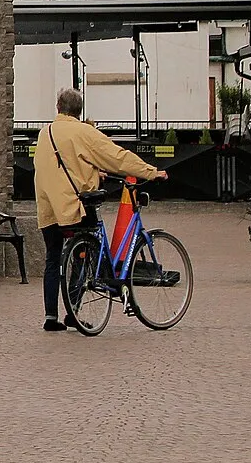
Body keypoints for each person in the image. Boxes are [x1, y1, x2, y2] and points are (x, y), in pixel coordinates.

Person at [35, 87, 165, 331]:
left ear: (58, 108)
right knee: (83, 257)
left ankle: (50, 317)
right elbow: (117, 157)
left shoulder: (45, 133)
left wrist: (93, 171)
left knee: (53, 259)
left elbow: (59, 167)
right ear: (79, 110)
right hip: (76, 206)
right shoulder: (84, 132)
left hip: (48, 207)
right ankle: (73, 311)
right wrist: (151, 172)